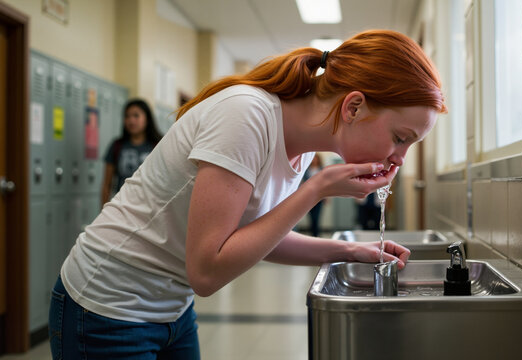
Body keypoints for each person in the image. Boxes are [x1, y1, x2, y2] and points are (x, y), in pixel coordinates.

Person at [49, 29, 446, 359]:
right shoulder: (246, 116)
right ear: (354, 106)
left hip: (171, 310)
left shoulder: (302, 147)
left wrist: (347, 252)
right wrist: (315, 191)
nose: (400, 159)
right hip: (106, 306)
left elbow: (252, 238)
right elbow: (206, 272)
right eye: (400, 138)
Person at [101, 99, 162, 205]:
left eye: (136, 115)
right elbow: (107, 184)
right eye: (127, 116)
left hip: (150, 206)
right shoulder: (117, 146)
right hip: (122, 205)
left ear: (147, 119)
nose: (131, 121)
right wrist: (103, 210)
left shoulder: (157, 145)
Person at [302, 153, 325, 237]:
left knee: (317, 217)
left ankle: (316, 234)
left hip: (320, 197)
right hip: (309, 197)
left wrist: (326, 197)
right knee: (311, 218)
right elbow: (304, 183)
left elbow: (325, 184)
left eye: (316, 158)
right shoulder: (307, 170)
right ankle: (312, 234)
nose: (314, 160)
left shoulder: (322, 169)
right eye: (313, 158)